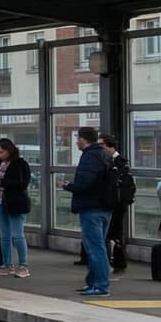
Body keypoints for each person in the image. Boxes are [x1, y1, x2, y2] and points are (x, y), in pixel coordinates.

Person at [60, 125, 115, 297]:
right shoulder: (105, 155)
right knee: (98, 246)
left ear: (83, 140)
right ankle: (92, 282)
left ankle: (100, 285)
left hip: (91, 208)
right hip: (105, 207)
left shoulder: (89, 157)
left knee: (95, 248)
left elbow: (86, 184)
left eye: (77, 139)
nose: (76, 142)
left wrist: (69, 186)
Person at [0, 137, 31, 279]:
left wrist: (1, 182)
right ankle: (8, 264)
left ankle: (23, 265)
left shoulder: (20, 164)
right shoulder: (1, 164)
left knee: (17, 235)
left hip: (15, 203)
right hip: (0, 202)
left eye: (1, 152)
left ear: (9, 151)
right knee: (4, 236)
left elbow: (21, 182)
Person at [100, 134, 135, 276]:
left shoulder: (120, 162)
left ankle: (118, 261)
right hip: (111, 201)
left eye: (101, 145)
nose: (99, 148)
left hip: (118, 203)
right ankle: (113, 260)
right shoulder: (107, 160)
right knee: (110, 232)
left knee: (115, 231)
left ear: (110, 146)